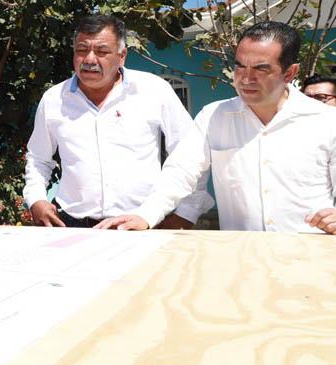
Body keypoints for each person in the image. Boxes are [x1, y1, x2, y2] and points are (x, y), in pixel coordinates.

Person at [99, 21, 336, 235]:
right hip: (242, 256)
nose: (245, 78)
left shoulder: (327, 121)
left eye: (260, 69)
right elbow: (181, 172)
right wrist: (146, 215)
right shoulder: (214, 117)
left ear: (290, 72)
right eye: (240, 66)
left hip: (312, 253)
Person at [23, 14, 214, 229]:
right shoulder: (54, 99)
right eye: (81, 50)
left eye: (102, 52)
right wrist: (36, 199)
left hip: (141, 224)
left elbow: (190, 155)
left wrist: (187, 213)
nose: (90, 60)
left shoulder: (154, 91)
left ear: (122, 55)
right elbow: (39, 159)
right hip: (71, 226)